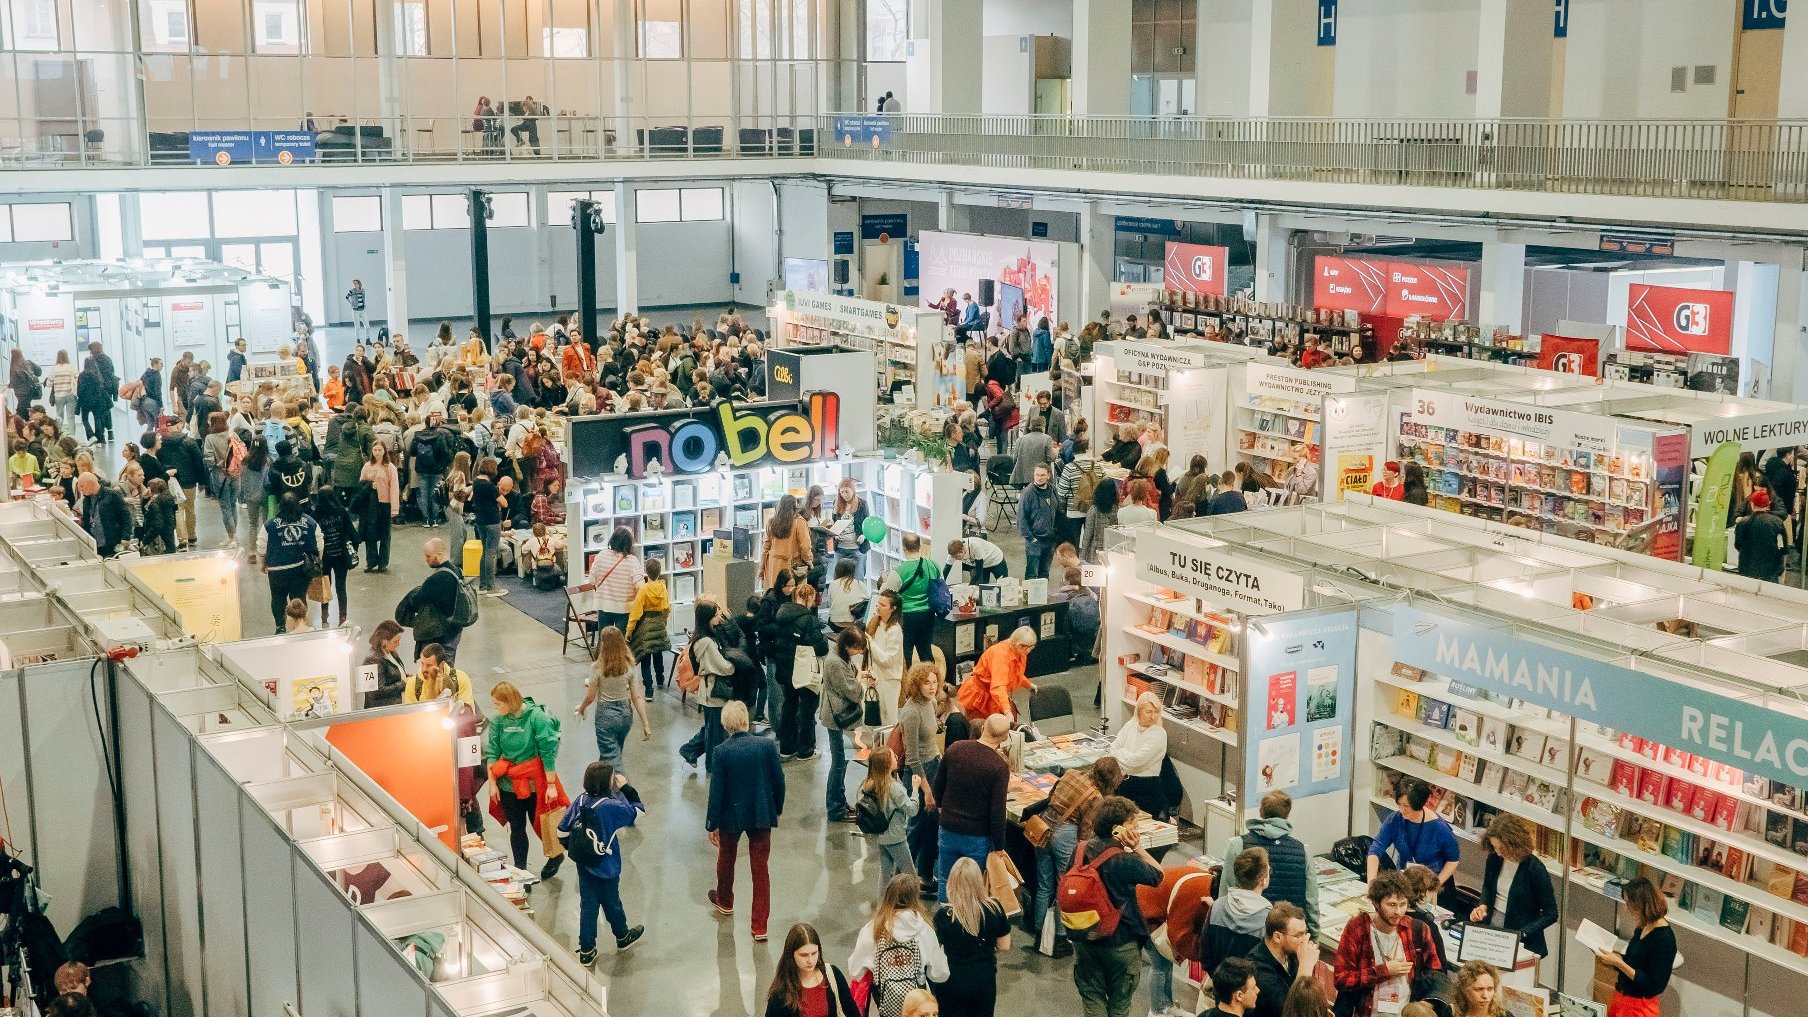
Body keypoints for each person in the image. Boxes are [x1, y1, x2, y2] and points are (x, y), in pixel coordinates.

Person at [1067, 796, 1164, 1017]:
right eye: (1132, 822)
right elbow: (1158, 875)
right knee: (1119, 1004)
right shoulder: (1123, 860)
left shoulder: (1079, 850)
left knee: (1092, 997)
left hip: (1085, 938)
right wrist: (1137, 847)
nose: (1137, 827)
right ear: (1116, 829)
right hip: (1121, 942)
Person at [706, 700, 785, 941]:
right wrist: (776, 808)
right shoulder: (766, 746)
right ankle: (759, 926)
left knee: (726, 858)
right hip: (761, 814)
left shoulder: (721, 752)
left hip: (731, 816)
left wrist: (712, 823)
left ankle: (725, 901)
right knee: (760, 870)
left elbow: (716, 791)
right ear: (745, 720)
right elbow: (779, 781)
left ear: (725, 726)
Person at [1026, 757, 1123, 947]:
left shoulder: (1071, 774)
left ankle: (1040, 934)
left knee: (1044, 885)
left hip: (1044, 827)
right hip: (1065, 834)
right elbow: (1086, 830)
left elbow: (1051, 797)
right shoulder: (1096, 797)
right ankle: (1061, 937)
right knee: (1064, 885)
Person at [558, 761, 646, 963]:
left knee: (588, 906)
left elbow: (561, 830)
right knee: (611, 902)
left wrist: (576, 849)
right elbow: (639, 811)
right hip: (607, 864)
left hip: (584, 865)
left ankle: (587, 950)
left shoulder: (580, 800)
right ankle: (623, 936)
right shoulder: (611, 807)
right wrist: (625, 787)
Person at [1331, 871, 1441, 1017]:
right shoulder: (1357, 928)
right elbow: (1341, 979)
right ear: (1376, 903)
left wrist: (1425, 1004)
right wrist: (1383, 971)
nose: (1398, 912)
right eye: (1392, 905)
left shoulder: (1419, 929)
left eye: (1403, 904)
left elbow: (1435, 972)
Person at [930, 713, 1011, 902]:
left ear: (983, 728)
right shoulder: (999, 766)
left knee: (946, 878)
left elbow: (938, 785)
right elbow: (997, 812)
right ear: (1005, 738)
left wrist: (943, 809)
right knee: (973, 886)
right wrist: (999, 847)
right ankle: (969, 924)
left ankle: (945, 919)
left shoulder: (955, 748)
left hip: (948, 828)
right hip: (977, 837)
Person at [848, 872, 950, 1017]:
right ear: (915, 897)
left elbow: (855, 971)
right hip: (919, 1006)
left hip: (886, 1004)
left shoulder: (872, 930)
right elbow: (940, 974)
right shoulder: (924, 929)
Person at [1226, 791, 1323, 939]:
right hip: (1288, 935)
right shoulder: (1303, 850)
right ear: (1287, 814)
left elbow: (1227, 891)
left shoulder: (1238, 844)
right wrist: (1314, 935)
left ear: (1261, 812)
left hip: (1246, 930)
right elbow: (1311, 901)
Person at [1469, 813, 1558, 960]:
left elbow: (1551, 914)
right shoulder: (1494, 858)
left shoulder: (1535, 869)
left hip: (1522, 936)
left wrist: (1522, 933)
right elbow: (1488, 887)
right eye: (1494, 847)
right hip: (1492, 928)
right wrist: (1483, 906)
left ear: (1514, 845)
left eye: (1501, 848)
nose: (1497, 852)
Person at [932, 856, 1011, 1016]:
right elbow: (1004, 946)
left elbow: (936, 950)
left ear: (951, 883)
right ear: (978, 880)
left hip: (951, 981)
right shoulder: (995, 908)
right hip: (984, 979)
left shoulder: (943, 915)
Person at [763, 579, 830, 759]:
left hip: (784, 668)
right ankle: (805, 749)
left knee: (789, 704)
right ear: (808, 598)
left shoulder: (781, 614)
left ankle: (787, 747)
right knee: (808, 708)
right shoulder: (809, 620)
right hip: (804, 672)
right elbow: (821, 647)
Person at [1366, 778, 1460, 894]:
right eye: (1399, 804)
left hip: (1433, 884)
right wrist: (1371, 882)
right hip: (1406, 881)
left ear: (1419, 804)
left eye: (1407, 806)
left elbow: (1453, 859)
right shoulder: (1395, 819)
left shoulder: (1439, 828)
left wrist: (1434, 887)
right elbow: (1376, 848)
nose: (1402, 810)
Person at [1597, 877, 1675, 1017]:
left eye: (1630, 904)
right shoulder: (1643, 926)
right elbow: (1635, 962)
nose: (1627, 909)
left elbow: (1654, 985)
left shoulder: (1665, 940)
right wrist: (1616, 959)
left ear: (1642, 905)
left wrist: (1619, 963)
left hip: (1640, 1008)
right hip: (1622, 998)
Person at [576, 627, 652, 769]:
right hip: (625, 715)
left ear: (603, 644)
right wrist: (645, 724)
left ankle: (621, 788)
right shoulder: (629, 665)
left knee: (611, 760)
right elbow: (636, 697)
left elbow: (591, 696)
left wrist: (582, 708)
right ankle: (605, 785)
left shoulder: (597, 667)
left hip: (605, 715)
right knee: (613, 754)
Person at [678, 600, 740, 767]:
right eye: (716, 614)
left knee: (712, 728)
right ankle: (713, 765)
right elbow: (723, 667)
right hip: (713, 691)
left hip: (710, 690)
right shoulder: (706, 642)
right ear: (708, 618)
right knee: (715, 731)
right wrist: (737, 663)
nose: (719, 617)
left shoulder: (705, 637)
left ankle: (689, 750)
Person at [818, 625, 868, 823]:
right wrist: (859, 682)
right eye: (857, 648)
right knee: (839, 764)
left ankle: (839, 801)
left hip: (842, 719)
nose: (858, 653)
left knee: (843, 762)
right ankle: (835, 808)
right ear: (848, 646)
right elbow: (854, 691)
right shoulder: (835, 663)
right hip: (839, 720)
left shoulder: (839, 657)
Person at [765, 923, 862, 1017]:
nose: (810, 961)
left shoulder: (833, 974)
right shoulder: (780, 993)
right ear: (791, 955)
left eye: (814, 953)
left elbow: (852, 1012)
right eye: (804, 955)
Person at [1204, 848, 1275, 973]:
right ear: (1263, 880)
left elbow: (1205, 952)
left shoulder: (1217, 906)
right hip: (1252, 989)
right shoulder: (1269, 917)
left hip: (1221, 983)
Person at [860, 744, 922, 888]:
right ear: (887, 764)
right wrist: (915, 790)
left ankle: (883, 906)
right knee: (910, 875)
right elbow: (912, 810)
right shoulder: (895, 788)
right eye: (892, 756)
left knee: (885, 872)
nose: (896, 757)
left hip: (880, 836)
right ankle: (912, 905)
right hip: (896, 837)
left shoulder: (869, 785)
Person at [397, 538, 467, 660]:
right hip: (455, 629)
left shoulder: (437, 579)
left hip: (440, 633)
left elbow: (416, 602)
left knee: (436, 668)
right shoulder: (457, 571)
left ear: (439, 555)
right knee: (448, 666)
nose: (426, 560)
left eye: (428, 556)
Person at [883, 533, 941, 677]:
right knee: (926, 650)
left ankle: (907, 686)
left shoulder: (899, 571)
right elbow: (939, 584)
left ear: (904, 548)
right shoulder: (933, 565)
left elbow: (886, 592)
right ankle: (932, 681)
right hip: (928, 614)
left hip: (906, 616)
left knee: (906, 652)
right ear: (920, 546)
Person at [1248, 902, 1320, 1017]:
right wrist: (1305, 967)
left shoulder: (1291, 954)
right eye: (1298, 936)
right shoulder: (1258, 970)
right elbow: (1290, 1012)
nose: (1304, 940)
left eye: (1305, 934)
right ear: (1277, 937)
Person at [263, 494, 322, 633]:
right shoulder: (310, 522)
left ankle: (280, 627)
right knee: (299, 598)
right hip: (300, 568)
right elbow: (319, 544)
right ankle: (300, 625)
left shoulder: (270, 524)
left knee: (278, 597)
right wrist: (318, 561)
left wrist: (262, 564)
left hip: (277, 569)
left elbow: (261, 546)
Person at [955, 627, 1037, 723]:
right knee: (979, 728)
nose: (1027, 650)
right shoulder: (1000, 655)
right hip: (981, 696)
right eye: (1023, 646)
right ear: (1014, 642)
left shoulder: (1019, 651)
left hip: (995, 695)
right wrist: (1007, 710)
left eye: (1031, 647)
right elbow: (998, 686)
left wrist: (1028, 685)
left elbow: (1015, 674)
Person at [626, 558, 672, 694]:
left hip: (645, 625)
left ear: (646, 572)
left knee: (645, 658)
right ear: (659, 572)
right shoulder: (663, 588)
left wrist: (629, 630)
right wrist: (664, 621)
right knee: (658, 653)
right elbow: (667, 608)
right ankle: (660, 679)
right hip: (659, 624)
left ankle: (649, 690)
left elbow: (635, 612)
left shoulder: (644, 590)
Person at [585, 526, 645, 630]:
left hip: (604, 605)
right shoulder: (632, 561)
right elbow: (640, 587)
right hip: (624, 607)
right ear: (629, 543)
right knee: (620, 641)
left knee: (604, 639)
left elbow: (591, 581)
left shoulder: (601, 555)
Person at [311, 487, 355, 626]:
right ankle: (343, 616)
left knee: (325, 585)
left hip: (324, 558)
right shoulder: (341, 512)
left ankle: (325, 615)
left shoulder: (315, 515)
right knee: (341, 586)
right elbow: (351, 532)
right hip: (341, 556)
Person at [358, 441, 400, 572]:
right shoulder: (367, 466)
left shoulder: (390, 467)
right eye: (375, 450)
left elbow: (394, 487)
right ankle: (371, 562)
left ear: (384, 451)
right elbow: (360, 485)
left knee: (385, 534)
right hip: (369, 506)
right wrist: (370, 485)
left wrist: (394, 508)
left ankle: (383, 563)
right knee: (369, 534)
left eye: (379, 450)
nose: (377, 452)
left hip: (384, 504)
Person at [760, 493, 812, 589]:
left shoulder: (771, 522)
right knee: (792, 595)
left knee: (774, 593)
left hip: (772, 564)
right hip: (793, 565)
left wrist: (761, 567)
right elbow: (805, 546)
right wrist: (809, 561)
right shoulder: (799, 522)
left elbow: (765, 547)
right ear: (795, 507)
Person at [74, 472, 132, 557]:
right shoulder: (86, 501)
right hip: (95, 544)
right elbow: (86, 521)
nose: (80, 489)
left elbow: (126, 517)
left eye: (82, 486)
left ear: (91, 483)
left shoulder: (113, 495)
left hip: (112, 542)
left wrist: (126, 537)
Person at [1017, 463, 1059, 580]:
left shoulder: (1053, 490)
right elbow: (1021, 518)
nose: (1039, 478)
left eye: (1042, 475)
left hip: (1050, 540)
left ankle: (1042, 597)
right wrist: (1031, 538)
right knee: (1032, 574)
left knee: (1044, 573)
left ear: (1048, 476)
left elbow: (1059, 511)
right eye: (1037, 475)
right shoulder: (1028, 493)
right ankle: (1030, 597)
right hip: (1035, 540)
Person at [1736, 487, 1787, 583]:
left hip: (1747, 569)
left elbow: (1738, 544)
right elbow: (1783, 548)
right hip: (1771, 571)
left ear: (1752, 504)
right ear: (1768, 505)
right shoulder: (1777, 522)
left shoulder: (1743, 522)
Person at [361, 620, 408, 708]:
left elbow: (391, 675)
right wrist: (404, 684)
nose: (399, 644)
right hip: (383, 712)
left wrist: (407, 676)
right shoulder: (371, 660)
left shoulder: (390, 652)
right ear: (384, 641)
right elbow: (375, 692)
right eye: (395, 641)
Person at [1079, 476, 1120, 562]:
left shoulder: (1093, 510)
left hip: (1096, 550)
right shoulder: (1117, 509)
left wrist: (1082, 556)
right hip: (1112, 548)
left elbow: (1088, 534)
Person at [826, 556, 870, 627]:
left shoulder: (833, 584)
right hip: (855, 624)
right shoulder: (860, 584)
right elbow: (866, 604)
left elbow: (830, 603)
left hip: (836, 625)